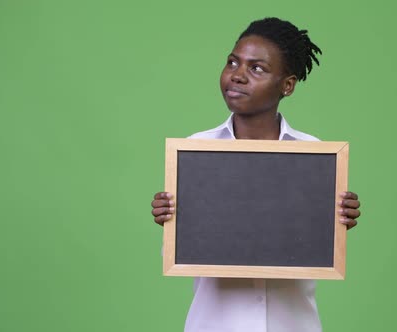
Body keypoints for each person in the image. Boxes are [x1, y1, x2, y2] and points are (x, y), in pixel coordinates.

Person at [151, 17, 361, 332]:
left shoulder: (315, 155)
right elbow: (186, 254)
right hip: (215, 324)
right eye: (232, 62)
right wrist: (171, 218)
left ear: (287, 85)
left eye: (256, 68)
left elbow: (314, 244)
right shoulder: (196, 150)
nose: (237, 75)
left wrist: (337, 217)